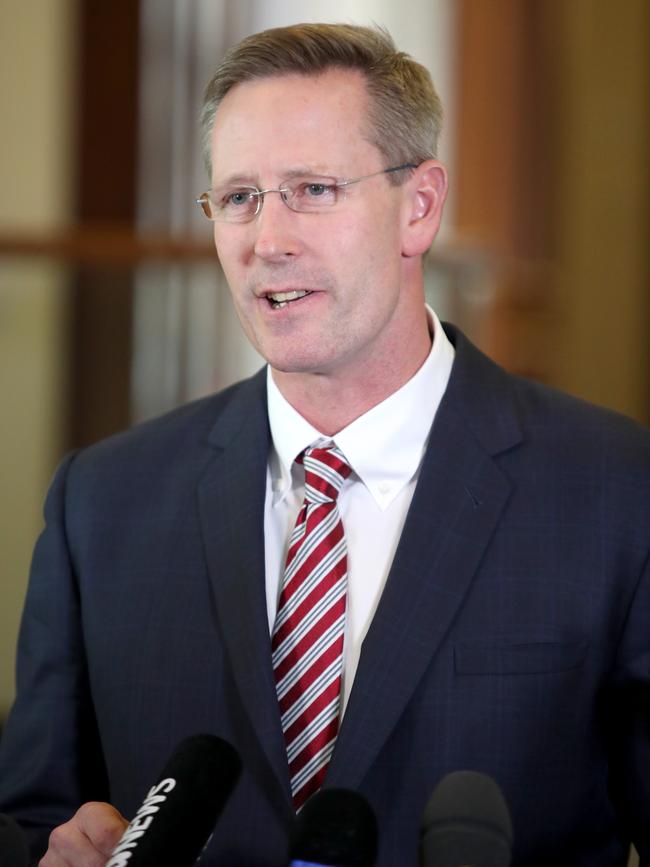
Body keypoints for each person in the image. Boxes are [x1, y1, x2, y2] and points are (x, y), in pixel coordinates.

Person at [0, 22, 648, 867]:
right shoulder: (104, 500)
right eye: (238, 197)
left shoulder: (613, 490)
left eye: (311, 189)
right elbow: (29, 820)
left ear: (418, 206)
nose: (268, 242)